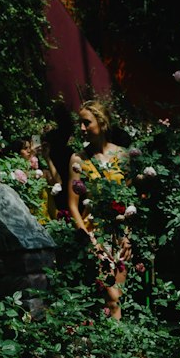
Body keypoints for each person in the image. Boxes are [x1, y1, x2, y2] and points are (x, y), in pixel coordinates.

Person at [66, 99, 131, 320]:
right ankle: (119, 347)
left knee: (117, 299)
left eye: (87, 123)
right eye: (80, 124)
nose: (82, 128)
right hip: (95, 234)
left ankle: (113, 348)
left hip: (120, 235)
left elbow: (130, 200)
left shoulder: (122, 155)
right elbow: (73, 205)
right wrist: (87, 237)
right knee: (111, 298)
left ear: (102, 123)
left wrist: (128, 237)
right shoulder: (79, 160)